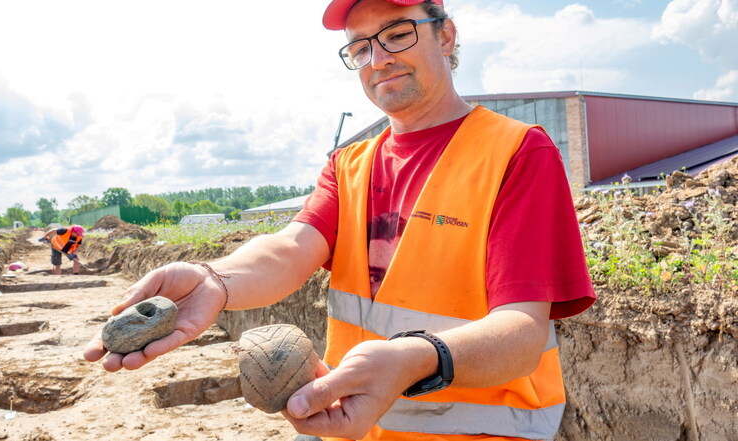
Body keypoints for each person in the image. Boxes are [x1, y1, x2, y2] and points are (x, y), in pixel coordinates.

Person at [83, 0, 596, 439]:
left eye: (397, 33)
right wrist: (215, 280)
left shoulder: (516, 152)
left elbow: (522, 334)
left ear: (447, 35)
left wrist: (414, 358)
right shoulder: (350, 165)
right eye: (361, 47)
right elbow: (291, 247)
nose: (379, 59)